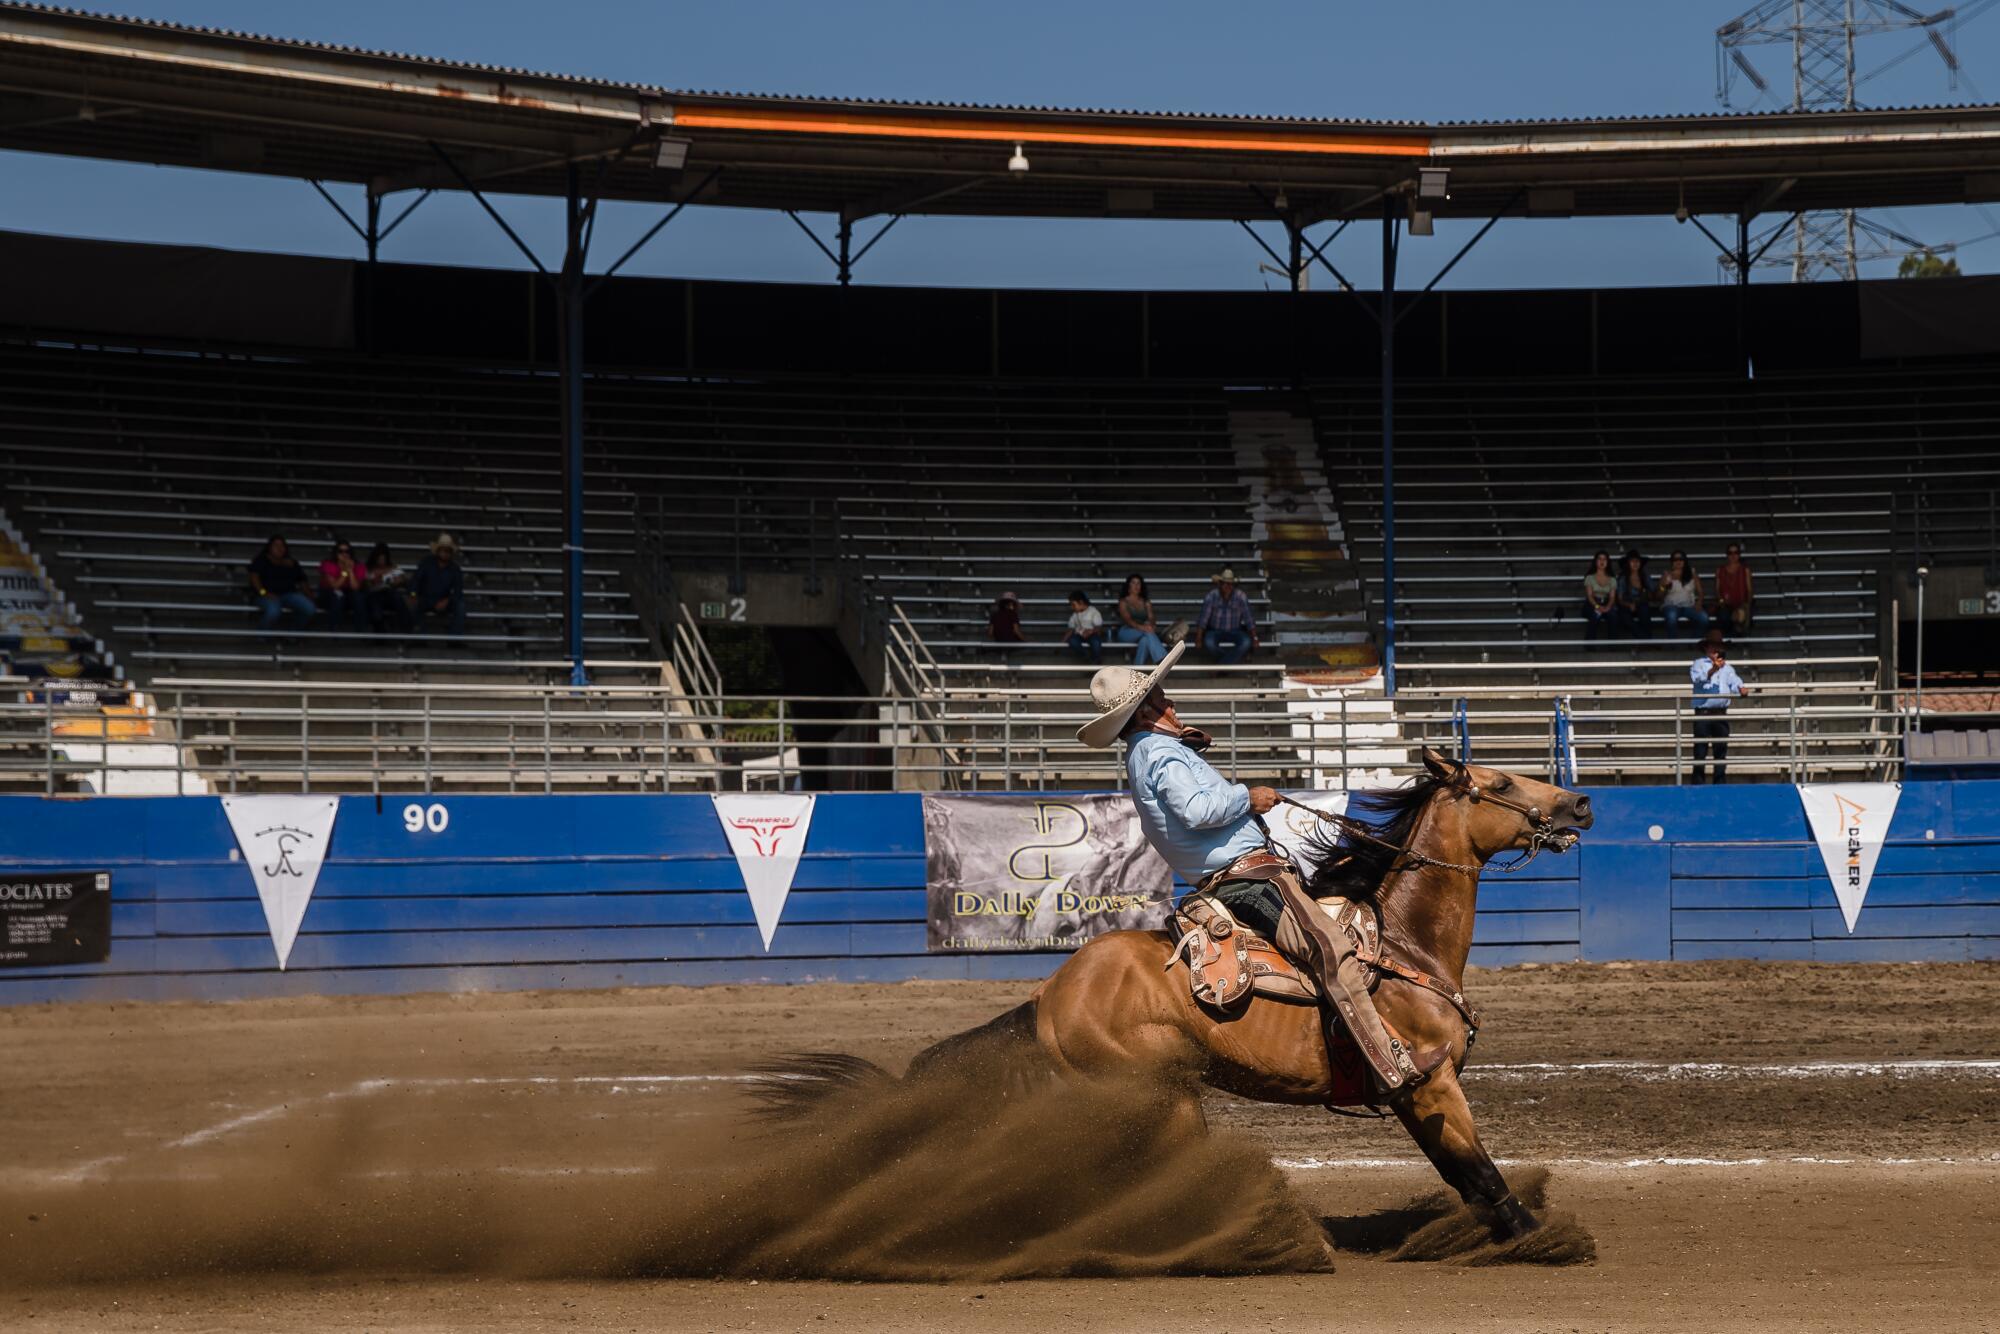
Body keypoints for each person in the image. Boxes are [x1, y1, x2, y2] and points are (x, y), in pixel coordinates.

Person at [1074, 642, 1440, 1103]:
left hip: (1235, 872)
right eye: (1163, 697)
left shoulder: (1151, 749)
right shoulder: (1158, 753)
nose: (1171, 701)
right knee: (1330, 946)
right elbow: (1196, 809)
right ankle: (1390, 1064)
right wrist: (1249, 796)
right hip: (1246, 878)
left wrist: (1182, 744)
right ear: (1146, 711)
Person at [1690, 627, 1750, 784]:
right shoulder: (1698, 664)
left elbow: (1734, 680)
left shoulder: (1728, 668)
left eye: (1718, 646)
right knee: (1700, 751)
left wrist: (1741, 688)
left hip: (1720, 712)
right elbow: (1698, 679)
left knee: (1721, 750)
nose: (1716, 649)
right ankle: (1698, 783)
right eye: (1713, 646)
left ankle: (1720, 782)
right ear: (1706, 648)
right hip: (1703, 711)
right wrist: (1713, 669)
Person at [248, 534, 315, 631]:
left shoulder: (292, 563)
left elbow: (302, 581)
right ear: (269, 547)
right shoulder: (261, 560)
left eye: (282, 546)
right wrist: (263, 592)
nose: (279, 548)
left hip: (289, 594)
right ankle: (262, 634)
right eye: (276, 545)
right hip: (265, 595)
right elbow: (254, 578)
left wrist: (310, 596)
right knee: (273, 611)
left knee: (309, 608)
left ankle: (293, 634)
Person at [410, 533, 468, 640]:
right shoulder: (426, 563)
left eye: (448, 551)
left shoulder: (455, 568)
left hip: (444, 599)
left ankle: (454, 638)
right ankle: (420, 637)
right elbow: (415, 581)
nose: (445, 553)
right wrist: (413, 595)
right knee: (413, 604)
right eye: (443, 550)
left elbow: (458, 591)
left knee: (460, 606)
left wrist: (447, 600)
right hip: (426, 598)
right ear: (438, 551)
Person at [1196, 567, 1256, 664]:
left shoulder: (1241, 596)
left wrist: (1254, 637)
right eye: (1225, 583)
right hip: (1215, 630)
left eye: (1230, 584)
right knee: (1209, 643)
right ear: (1220, 584)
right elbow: (1203, 619)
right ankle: (1227, 663)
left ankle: (1220, 667)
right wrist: (1198, 637)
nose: (1228, 586)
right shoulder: (1211, 596)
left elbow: (1248, 618)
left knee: (1246, 642)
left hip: (1235, 630)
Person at [1112, 573, 1167, 666]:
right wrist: (1144, 628)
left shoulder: (1146, 602)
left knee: (1145, 640)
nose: (1136, 586)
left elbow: (1151, 617)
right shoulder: (1123, 601)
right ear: (1128, 585)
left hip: (1144, 631)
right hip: (1127, 632)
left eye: (1138, 583)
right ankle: (1163, 658)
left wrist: (1151, 625)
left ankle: (1138, 668)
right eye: (1133, 583)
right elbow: (1127, 620)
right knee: (1148, 633)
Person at [316, 538, 368, 632]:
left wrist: (351, 570)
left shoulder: (359, 566)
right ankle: (334, 631)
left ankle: (360, 631)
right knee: (338, 596)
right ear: (336, 553)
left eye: (347, 551)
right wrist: (344, 572)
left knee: (359, 597)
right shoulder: (328, 564)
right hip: (329, 594)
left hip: (348, 594)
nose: (344, 554)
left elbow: (355, 587)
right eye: (341, 551)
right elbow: (335, 586)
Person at [1657, 550, 1709, 639]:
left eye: (1681, 559)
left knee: (1704, 618)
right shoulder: (1667, 575)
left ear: (1685, 560)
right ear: (1672, 562)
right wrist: (1664, 586)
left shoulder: (1692, 573)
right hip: (1671, 605)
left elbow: (1700, 591)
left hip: (1689, 606)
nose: (1678, 561)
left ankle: (1694, 642)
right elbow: (1659, 596)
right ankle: (1673, 645)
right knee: (1671, 617)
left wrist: (1699, 602)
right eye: (1675, 559)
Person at [364, 542, 412, 633]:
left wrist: (397, 581)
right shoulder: (369, 569)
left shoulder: (393, 567)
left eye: (383, 558)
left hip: (389, 594)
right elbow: (367, 585)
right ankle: (380, 634)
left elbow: (404, 578)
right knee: (375, 608)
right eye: (379, 558)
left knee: (399, 599)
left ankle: (407, 631)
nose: (381, 560)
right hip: (374, 595)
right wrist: (375, 580)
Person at [1714, 543, 1754, 633]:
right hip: (1726, 604)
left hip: (1741, 603)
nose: (1733, 555)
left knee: (1741, 616)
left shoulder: (1745, 570)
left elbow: (1749, 589)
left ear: (1739, 554)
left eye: (1735, 553)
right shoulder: (1720, 570)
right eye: (1730, 553)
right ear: (1727, 555)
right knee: (1724, 616)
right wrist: (1721, 601)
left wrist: (1747, 604)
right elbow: (1717, 589)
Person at [1613, 550, 1652, 640]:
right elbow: (1619, 598)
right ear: (1628, 563)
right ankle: (1647, 641)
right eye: (1632, 561)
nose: (1635, 563)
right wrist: (1629, 604)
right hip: (1626, 603)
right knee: (1625, 618)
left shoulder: (1645, 576)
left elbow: (1653, 592)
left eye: (1637, 561)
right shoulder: (1623, 578)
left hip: (1642, 602)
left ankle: (1646, 641)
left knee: (1645, 612)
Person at [1581, 550, 1617, 641]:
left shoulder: (1612, 579)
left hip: (1606, 602)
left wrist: (1608, 607)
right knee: (1595, 615)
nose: (1602, 561)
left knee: (1613, 616)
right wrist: (1597, 606)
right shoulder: (1589, 577)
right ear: (1595, 561)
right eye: (1599, 559)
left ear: (1608, 562)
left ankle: (1612, 644)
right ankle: (1590, 644)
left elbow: (1612, 597)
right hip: (1592, 603)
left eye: (1604, 559)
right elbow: (1589, 595)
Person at [1064, 589, 1104, 664]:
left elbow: (1098, 626)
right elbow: (1070, 629)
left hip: (1092, 634)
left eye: (1073, 604)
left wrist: (1090, 632)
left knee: (1096, 642)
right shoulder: (1075, 615)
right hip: (1079, 635)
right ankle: (1086, 656)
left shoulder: (1093, 611)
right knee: (1072, 641)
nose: (1072, 607)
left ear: (1081, 602)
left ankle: (1096, 659)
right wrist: (1063, 641)